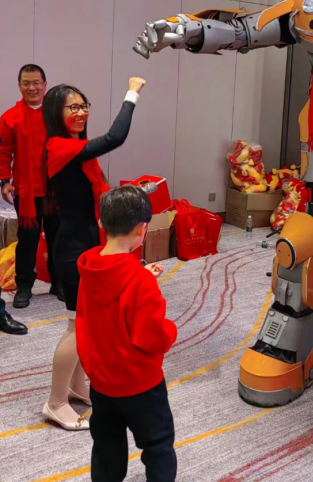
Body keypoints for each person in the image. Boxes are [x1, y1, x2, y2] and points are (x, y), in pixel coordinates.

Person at [41, 77, 146, 431]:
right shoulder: (58, 147)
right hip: (73, 247)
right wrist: (132, 93)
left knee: (85, 322)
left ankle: (75, 385)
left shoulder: (74, 148)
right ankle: (55, 402)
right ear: (56, 113)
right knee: (78, 328)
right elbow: (115, 137)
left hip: (86, 242)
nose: (81, 112)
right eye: (72, 107)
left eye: (84, 105)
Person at [77, 185, 177, 482]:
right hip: (140, 385)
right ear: (142, 229)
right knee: (158, 446)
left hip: (101, 382)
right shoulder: (140, 281)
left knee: (106, 448)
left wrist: (141, 276)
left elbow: (87, 319)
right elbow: (152, 337)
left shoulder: (89, 270)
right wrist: (171, 329)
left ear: (101, 223)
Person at [0, 65, 63, 309]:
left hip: (55, 189)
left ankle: (58, 282)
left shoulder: (57, 114)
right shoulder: (10, 117)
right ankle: (24, 286)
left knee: (58, 237)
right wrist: (5, 181)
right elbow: (4, 152)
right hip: (26, 193)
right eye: (26, 83)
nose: (32, 88)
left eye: (36, 82)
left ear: (45, 85)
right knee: (27, 240)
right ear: (19, 86)